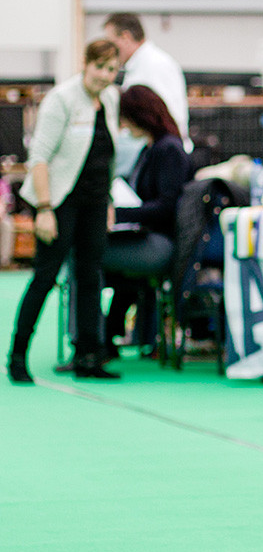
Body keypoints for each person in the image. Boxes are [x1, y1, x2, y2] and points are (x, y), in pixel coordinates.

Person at [6, 39, 122, 384]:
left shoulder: (112, 99)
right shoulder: (62, 99)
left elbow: (107, 157)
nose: (104, 75)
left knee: (90, 278)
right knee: (45, 276)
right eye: (99, 67)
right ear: (85, 64)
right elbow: (39, 157)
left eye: (111, 69)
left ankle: (88, 356)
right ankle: (16, 357)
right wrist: (44, 208)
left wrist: (110, 201)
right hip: (59, 202)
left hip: (96, 203)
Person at [103, 84, 192, 359]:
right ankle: (106, 334)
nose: (124, 125)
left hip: (161, 243)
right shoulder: (150, 148)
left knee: (88, 256)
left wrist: (118, 214)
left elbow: (166, 207)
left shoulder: (169, 150)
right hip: (143, 234)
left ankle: (95, 339)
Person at [103, 12, 191, 176]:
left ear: (125, 37)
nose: (110, 51)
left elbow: (166, 116)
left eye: (111, 43)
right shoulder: (139, 65)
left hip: (165, 157)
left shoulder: (154, 65)